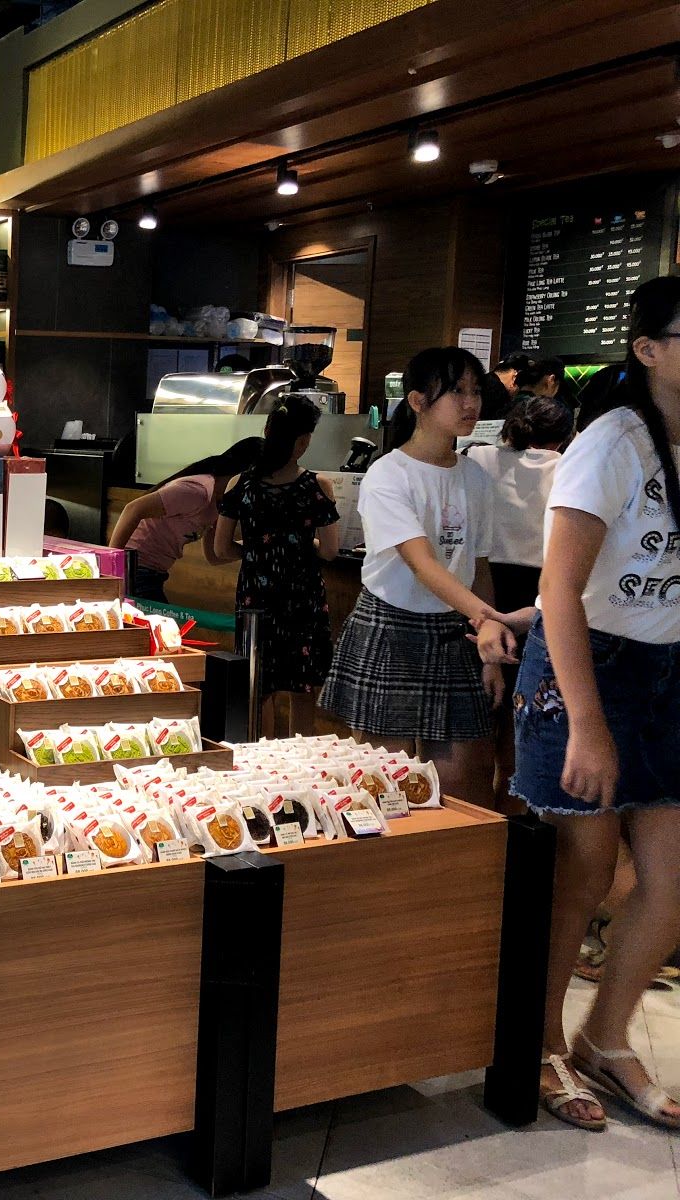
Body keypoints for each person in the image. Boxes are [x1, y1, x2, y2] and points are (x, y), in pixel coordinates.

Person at [488, 277, 680, 1132]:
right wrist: (589, 724)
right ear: (649, 350)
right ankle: (537, 1044)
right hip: (585, 668)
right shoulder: (612, 441)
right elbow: (560, 590)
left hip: (668, 671)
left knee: (672, 882)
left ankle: (605, 1037)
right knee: (583, 872)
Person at [318, 347, 507, 805]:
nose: (471, 403)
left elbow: (478, 564)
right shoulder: (388, 473)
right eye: (457, 392)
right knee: (386, 782)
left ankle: (454, 854)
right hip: (392, 626)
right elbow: (421, 564)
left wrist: (491, 653)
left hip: (456, 629)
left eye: (476, 391)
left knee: (464, 779)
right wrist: (487, 620)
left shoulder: (476, 476)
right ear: (419, 401)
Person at [466, 395, 574, 808]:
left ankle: (478, 822)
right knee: (521, 723)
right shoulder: (567, 467)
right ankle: (512, 819)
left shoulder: (477, 458)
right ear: (563, 436)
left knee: (477, 725)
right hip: (539, 595)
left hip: (479, 588)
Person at [212, 397, 341, 735]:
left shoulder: (241, 483)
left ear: (268, 430)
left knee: (258, 685)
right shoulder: (318, 486)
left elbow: (221, 548)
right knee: (302, 690)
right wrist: (297, 545)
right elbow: (330, 551)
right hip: (303, 596)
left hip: (255, 597)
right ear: (303, 441)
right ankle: (299, 759)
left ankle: (263, 757)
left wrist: (258, 551)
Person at [109, 438, 263, 601]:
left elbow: (215, 555)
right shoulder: (197, 492)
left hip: (154, 573)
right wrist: (111, 566)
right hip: (136, 569)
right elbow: (132, 509)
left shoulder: (219, 502)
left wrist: (260, 546)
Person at [480, 351, 533, 421]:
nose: (515, 395)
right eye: (520, 389)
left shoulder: (484, 379)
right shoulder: (499, 393)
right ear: (514, 377)